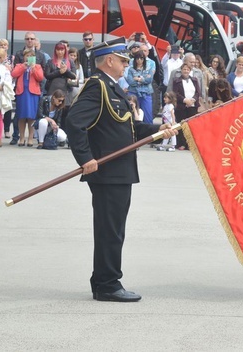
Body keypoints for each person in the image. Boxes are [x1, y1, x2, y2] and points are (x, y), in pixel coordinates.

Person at [64, 38, 177, 302]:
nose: (127, 64)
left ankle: (106, 280)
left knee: (114, 228)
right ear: (109, 60)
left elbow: (126, 129)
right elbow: (74, 122)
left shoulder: (112, 88)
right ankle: (107, 284)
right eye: (123, 60)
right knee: (110, 230)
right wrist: (85, 158)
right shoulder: (97, 86)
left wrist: (157, 131)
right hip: (107, 171)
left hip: (119, 170)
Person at [11, 47, 45, 147]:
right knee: (21, 116)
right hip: (22, 93)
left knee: (31, 116)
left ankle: (30, 138)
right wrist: (23, 67)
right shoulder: (19, 65)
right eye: (27, 56)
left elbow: (40, 78)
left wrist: (33, 68)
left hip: (33, 94)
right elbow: (14, 74)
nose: (29, 57)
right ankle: (21, 137)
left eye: (31, 56)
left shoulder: (37, 66)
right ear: (24, 57)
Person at [172, 63, 201, 150]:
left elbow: (198, 92)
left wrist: (192, 100)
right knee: (182, 126)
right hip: (181, 107)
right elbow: (175, 93)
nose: (186, 71)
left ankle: (190, 145)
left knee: (191, 126)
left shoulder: (195, 80)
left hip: (193, 106)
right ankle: (181, 143)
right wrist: (185, 100)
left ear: (190, 71)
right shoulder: (177, 81)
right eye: (184, 69)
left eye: (187, 69)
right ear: (181, 70)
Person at [0, 48, 14, 147]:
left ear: (4, 58)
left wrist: (2, 87)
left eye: (0, 57)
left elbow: (9, 82)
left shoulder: (4, 69)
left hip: (1, 94)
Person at [125, 52, 155, 123]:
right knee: (131, 113)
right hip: (133, 93)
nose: (139, 60)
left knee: (148, 116)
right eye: (137, 58)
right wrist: (143, 79)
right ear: (135, 59)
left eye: (141, 58)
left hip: (146, 93)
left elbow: (149, 80)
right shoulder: (131, 69)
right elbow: (130, 82)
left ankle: (149, 132)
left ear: (144, 59)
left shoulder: (149, 68)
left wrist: (138, 79)